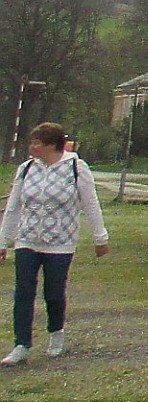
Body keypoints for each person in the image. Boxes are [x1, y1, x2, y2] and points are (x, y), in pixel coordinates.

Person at [1, 122, 109, 365]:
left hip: (60, 243)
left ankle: (55, 332)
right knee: (23, 291)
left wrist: (99, 237)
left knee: (54, 292)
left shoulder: (76, 168)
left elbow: (91, 205)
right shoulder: (26, 169)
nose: (32, 147)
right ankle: (21, 344)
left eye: (37, 143)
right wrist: (3, 241)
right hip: (27, 239)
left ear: (51, 145)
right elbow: (14, 206)